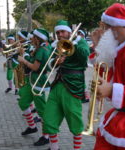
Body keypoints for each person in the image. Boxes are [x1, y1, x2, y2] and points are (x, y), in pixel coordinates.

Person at [92, 3, 125, 150]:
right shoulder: (122, 47)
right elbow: (107, 73)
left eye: (105, 28)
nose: (103, 32)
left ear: (115, 28)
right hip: (123, 115)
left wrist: (111, 90)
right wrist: (99, 46)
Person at [42, 20, 90, 150]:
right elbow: (48, 64)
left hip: (73, 85)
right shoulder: (55, 45)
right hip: (57, 84)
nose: (60, 34)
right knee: (48, 119)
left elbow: (85, 56)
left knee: (75, 121)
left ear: (69, 32)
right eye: (57, 32)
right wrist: (56, 62)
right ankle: (54, 147)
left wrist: (74, 43)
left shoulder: (80, 41)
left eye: (62, 31)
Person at [18, 28, 52, 146]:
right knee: (23, 102)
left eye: (33, 37)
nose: (31, 38)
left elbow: (35, 67)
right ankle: (32, 127)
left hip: (39, 82)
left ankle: (46, 136)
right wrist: (26, 55)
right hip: (32, 81)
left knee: (42, 112)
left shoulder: (42, 50)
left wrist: (23, 60)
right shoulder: (37, 49)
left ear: (38, 39)